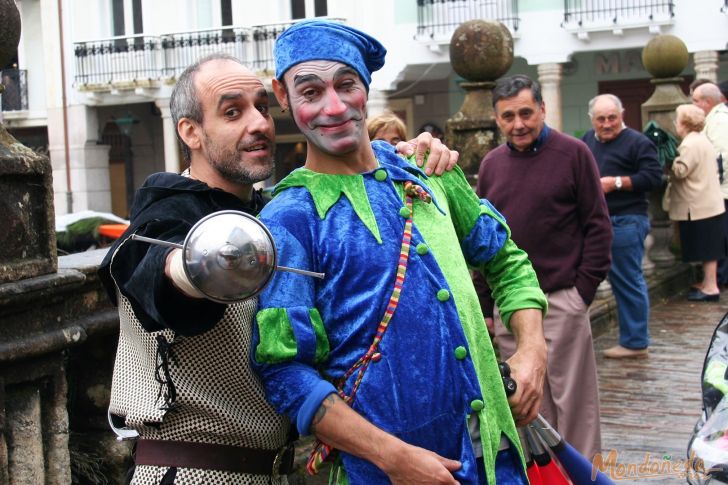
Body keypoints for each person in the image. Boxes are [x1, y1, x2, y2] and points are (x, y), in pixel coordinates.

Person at [97, 52, 459, 484]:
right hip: (192, 472)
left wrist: (401, 160)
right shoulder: (163, 218)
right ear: (190, 131)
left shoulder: (277, 214)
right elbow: (162, 276)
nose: (259, 124)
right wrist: (190, 268)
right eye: (232, 112)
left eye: (262, 107)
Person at [252, 20, 548, 485]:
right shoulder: (290, 219)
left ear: (365, 87)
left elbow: (507, 260)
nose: (334, 107)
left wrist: (532, 351)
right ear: (283, 97)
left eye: (346, 85)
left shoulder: (429, 170)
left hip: (497, 457)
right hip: (382, 474)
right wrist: (392, 457)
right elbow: (285, 372)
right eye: (310, 92)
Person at [475, 74, 612, 461]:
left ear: (542, 109)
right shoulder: (491, 166)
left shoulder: (574, 154)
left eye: (525, 113)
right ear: (496, 119)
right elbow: (483, 242)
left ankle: (583, 475)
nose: (518, 124)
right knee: (526, 407)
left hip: (562, 300)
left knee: (577, 408)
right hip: (510, 310)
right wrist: (486, 308)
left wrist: (581, 293)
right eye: (508, 116)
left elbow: (598, 226)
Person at [581, 94, 662, 359]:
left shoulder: (638, 142)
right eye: (601, 119)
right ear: (592, 119)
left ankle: (636, 342)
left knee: (628, 280)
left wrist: (615, 183)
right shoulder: (586, 141)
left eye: (612, 118)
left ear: (622, 115)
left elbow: (653, 177)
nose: (607, 124)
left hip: (627, 219)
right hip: (595, 221)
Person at [667, 104, 727, 301]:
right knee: (710, 247)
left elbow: (681, 171)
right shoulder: (702, 140)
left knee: (708, 248)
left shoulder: (690, 144)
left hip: (699, 204)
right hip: (708, 202)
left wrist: (668, 160)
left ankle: (710, 287)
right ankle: (708, 284)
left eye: (677, 120)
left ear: (684, 123)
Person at [692, 83, 728, 286]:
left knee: (722, 235)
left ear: (708, 102)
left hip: (722, 191)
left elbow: (723, 156)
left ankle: (722, 277)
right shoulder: (715, 119)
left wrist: (716, 185)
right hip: (721, 189)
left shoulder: (719, 121)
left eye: (696, 100)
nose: (694, 104)